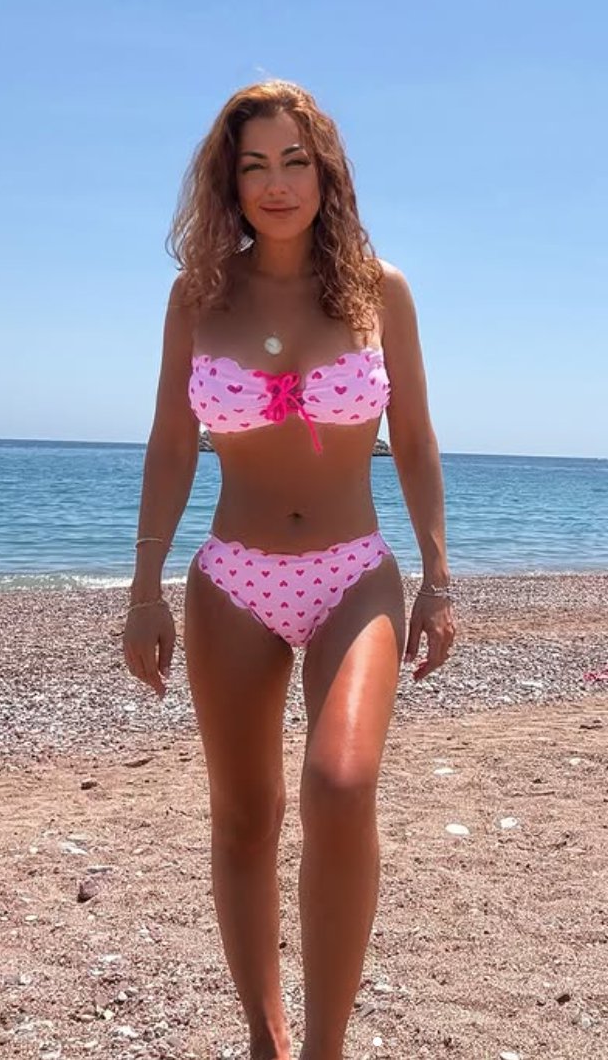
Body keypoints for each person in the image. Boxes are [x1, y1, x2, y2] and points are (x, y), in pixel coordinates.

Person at [123, 79, 455, 1060]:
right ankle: (267, 1041)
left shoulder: (379, 290)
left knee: (341, 785)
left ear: (326, 173)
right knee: (244, 818)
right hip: (232, 579)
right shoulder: (198, 296)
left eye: (294, 161)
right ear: (228, 182)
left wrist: (437, 577)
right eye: (253, 165)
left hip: (354, 572)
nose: (276, 184)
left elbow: (415, 439)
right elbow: (170, 446)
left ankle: (323, 1049)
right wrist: (142, 591)